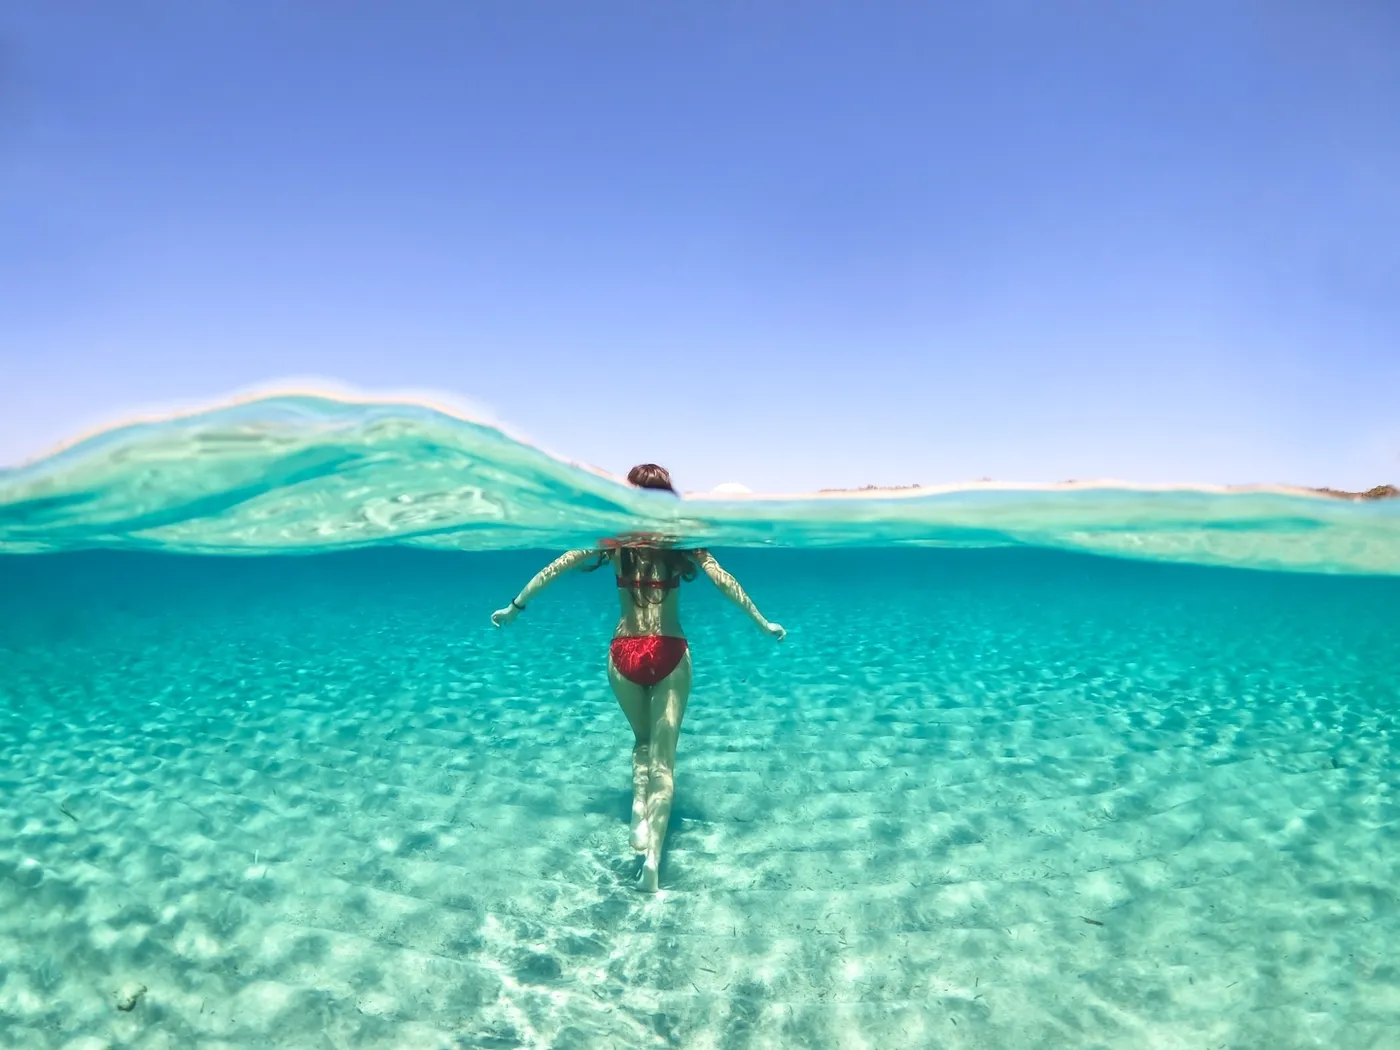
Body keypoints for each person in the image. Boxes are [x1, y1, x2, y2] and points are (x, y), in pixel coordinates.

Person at [491, 463, 785, 892]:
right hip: (669, 651)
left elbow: (557, 566)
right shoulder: (681, 542)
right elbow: (725, 581)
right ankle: (651, 863)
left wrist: (514, 607)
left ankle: (637, 814)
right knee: (663, 759)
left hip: (622, 653)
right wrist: (761, 622)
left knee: (642, 743)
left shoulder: (613, 542)